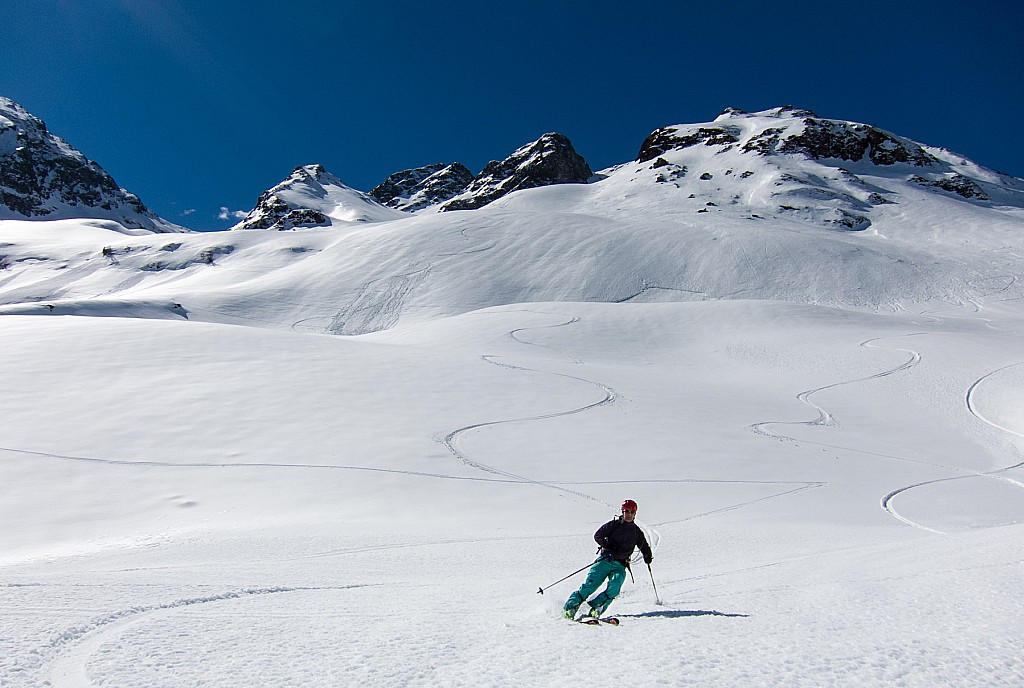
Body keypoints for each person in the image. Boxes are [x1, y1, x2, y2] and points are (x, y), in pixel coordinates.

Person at [563, 499, 653, 619]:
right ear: (622, 511)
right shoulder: (614, 525)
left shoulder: (636, 532)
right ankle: (571, 607)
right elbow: (598, 535)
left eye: (632, 512)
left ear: (635, 513)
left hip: (620, 565)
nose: (629, 514)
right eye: (627, 511)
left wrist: (647, 555)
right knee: (591, 585)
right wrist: (609, 547)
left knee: (615, 586)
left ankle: (596, 607)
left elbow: (644, 546)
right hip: (605, 561)